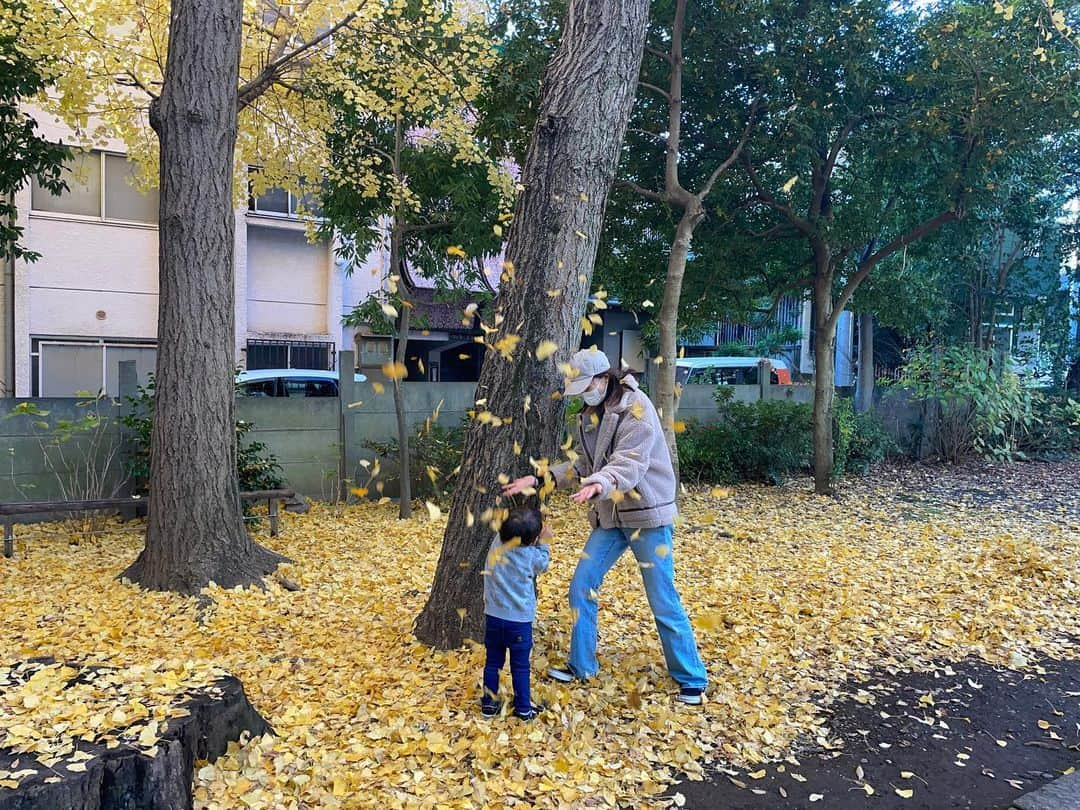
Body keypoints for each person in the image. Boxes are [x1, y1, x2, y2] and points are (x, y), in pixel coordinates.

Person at [503, 347, 708, 705]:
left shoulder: (637, 409)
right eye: (579, 391)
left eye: (587, 387)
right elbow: (583, 464)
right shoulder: (590, 415)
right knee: (582, 585)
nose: (584, 395)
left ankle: (691, 676)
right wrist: (539, 479)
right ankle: (582, 665)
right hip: (611, 516)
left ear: (603, 379)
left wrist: (601, 482)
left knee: (662, 597)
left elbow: (629, 462)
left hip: (646, 514)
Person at [481, 504, 552, 720]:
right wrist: (545, 542)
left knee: (492, 663)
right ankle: (523, 708)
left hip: (493, 617)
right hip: (519, 622)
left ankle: (489, 705)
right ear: (533, 540)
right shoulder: (532, 556)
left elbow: (511, 528)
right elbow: (544, 564)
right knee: (520, 667)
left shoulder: (496, 544)